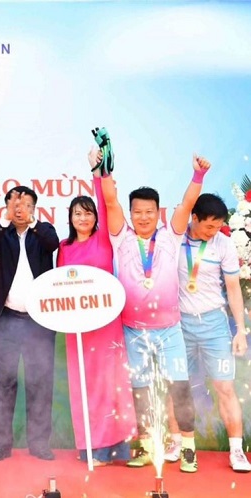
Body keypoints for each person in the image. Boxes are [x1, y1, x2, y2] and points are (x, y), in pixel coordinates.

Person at [103, 154, 209, 472]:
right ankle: (147, 448)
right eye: (138, 212)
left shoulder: (170, 237)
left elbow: (187, 204)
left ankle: (188, 449)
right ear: (131, 213)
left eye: (149, 212)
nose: (144, 217)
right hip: (134, 330)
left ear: (158, 212)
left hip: (169, 330)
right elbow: (110, 202)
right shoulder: (121, 237)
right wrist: (104, 171)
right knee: (141, 391)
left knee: (179, 388)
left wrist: (198, 175)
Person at [56, 148, 136, 466]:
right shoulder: (63, 248)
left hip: (106, 325)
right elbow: (59, 288)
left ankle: (116, 447)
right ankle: (90, 446)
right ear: (70, 218)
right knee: (84, 386)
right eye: (78, 213)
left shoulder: (104, 239)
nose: (84, 218)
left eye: (88, 213)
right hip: (78, 330)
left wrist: (99, 171)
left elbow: (105, 201)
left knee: (111, 383)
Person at [164, 193, 250, 472]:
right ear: (194, 218)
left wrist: (240, 330)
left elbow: (233, 289)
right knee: (177, 387)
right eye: (209, 226)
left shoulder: (223, 244)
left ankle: (237, 451)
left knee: (225, 387)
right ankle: (176, 442)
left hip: (214, 324)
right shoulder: (175, 239)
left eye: (218, 227)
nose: (213, 232)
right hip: (179, 325)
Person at [0, 186, 60, 461]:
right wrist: (5, 219)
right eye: (15, 204)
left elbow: (53, 243)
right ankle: (1, 445)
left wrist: (33, 222)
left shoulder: (43, 232)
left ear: (34, 209)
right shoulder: (0, 234)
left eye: (26, 204)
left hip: (39, 322)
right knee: (2, 383)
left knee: (40, 383)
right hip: (6, 320)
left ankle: (39, 444)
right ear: (7, 208)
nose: (20, 209)